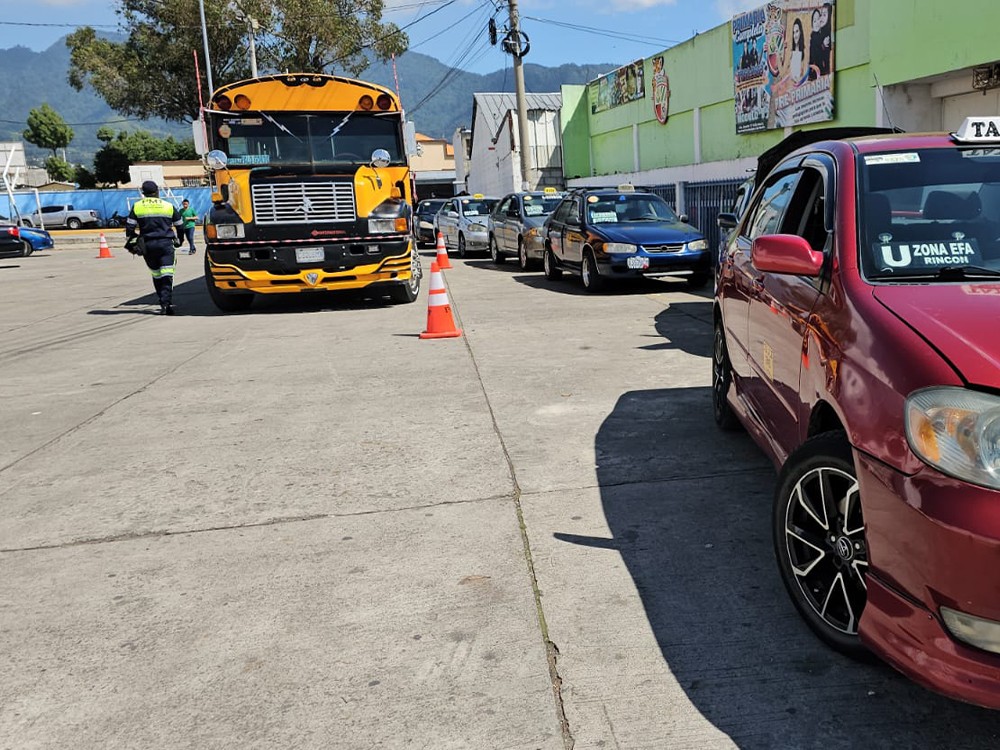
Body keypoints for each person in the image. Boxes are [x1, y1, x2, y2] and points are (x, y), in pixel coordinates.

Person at [125, 181, 184, 315]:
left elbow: (129, 229)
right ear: (157, 191)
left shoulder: (137, 206)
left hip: (148, 245)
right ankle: (166, 303)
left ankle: (162, 300)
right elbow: (180, 225)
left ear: (143, 193)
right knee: (167, 274)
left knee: (156, 274)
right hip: (166, 244)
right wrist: (180, 240)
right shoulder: (168, 206)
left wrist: (135, 243)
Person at [788, 18, 805, 83]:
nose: (795, 35)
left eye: (797, 31)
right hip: (790, 88)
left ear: (801, 32)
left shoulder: (804, 52)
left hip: (800, 89)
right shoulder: (790, 52)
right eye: (793, 32)